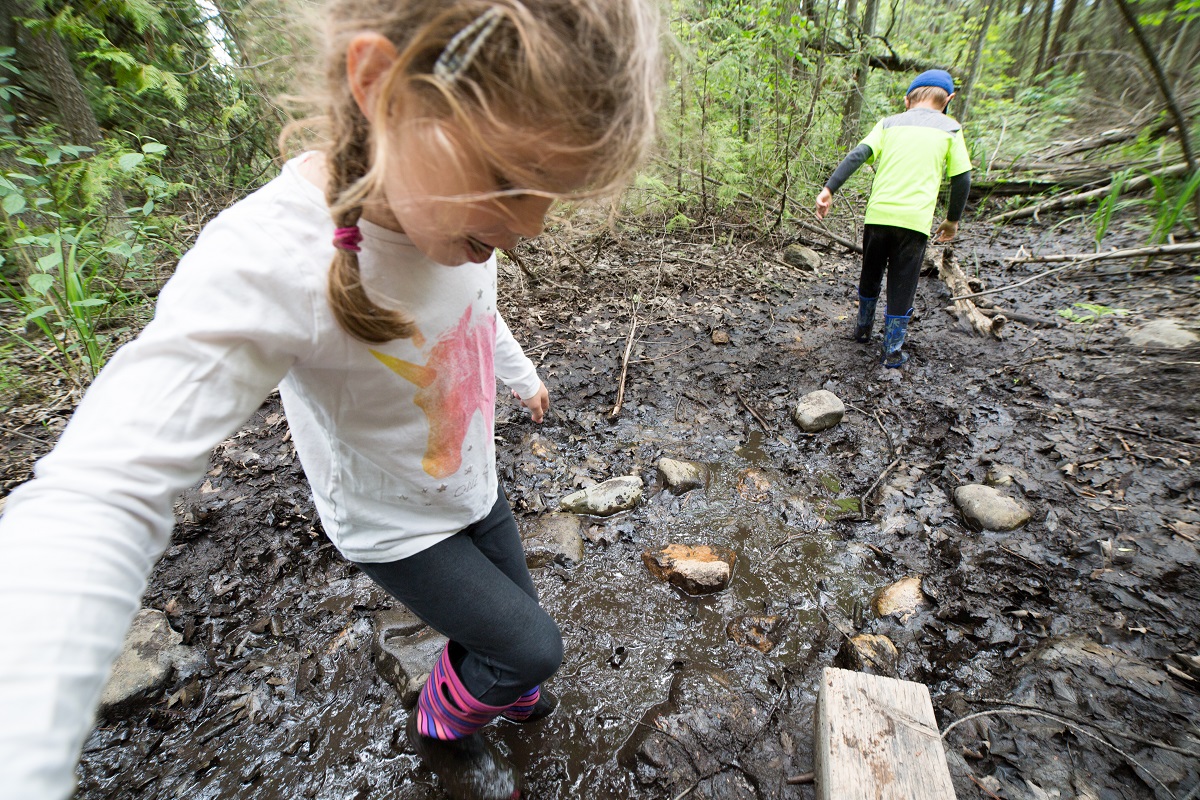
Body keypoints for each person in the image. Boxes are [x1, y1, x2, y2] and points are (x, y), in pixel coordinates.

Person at [0, 2, 660, 799]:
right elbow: (104, 484)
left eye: (551, 193)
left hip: (474, 489)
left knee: (514, 643)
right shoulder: (272, 258)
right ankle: (441, 720)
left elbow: (475, 313)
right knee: (532, 647)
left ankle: (497, 678)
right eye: (509, 181)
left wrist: (520, 375)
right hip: (398, 526)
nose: (531, 226)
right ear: (382, 85)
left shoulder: (455, 224)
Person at [815, 69, 972, 367]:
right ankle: (892, 351)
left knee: (871, 272)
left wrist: (829, 189)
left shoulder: (888, 124)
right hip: (913, 223)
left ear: (907, 100)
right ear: (948, 100)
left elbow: (857, 155)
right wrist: (952, 220)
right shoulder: (951, 129)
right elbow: (962, 178)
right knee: (903, 283)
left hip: (878, 216)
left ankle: (862, 331)